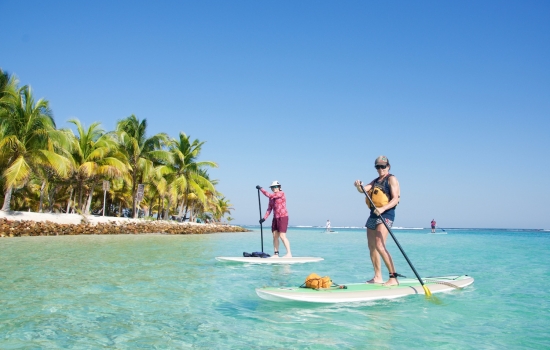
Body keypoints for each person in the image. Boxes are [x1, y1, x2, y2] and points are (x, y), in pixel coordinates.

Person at [354, 155, 401, 286]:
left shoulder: (391, 179)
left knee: (380, 245)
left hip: (386, 214)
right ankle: (378, 276)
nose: (380, 169)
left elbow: (395, 199)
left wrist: (383, 208)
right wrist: (358, 185)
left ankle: (393, 278)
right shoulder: (375, 181)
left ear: (388, 167)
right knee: (372, 246)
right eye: (378, 167)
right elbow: (362, 190)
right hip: (374, 214)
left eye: (383, 166)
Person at [256, 181, 291, 258]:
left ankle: (289, 253)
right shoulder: (272, 198)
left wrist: (261, 189)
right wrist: (264, 218)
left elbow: (268, 195)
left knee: (282, 236)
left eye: (275, 187)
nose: (274, 188)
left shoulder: (281, 193)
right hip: (275, 218)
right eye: (272, 187)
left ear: (279, 187)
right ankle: (276, 254)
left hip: (283, 217)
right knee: (275, 236)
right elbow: (269, 209)